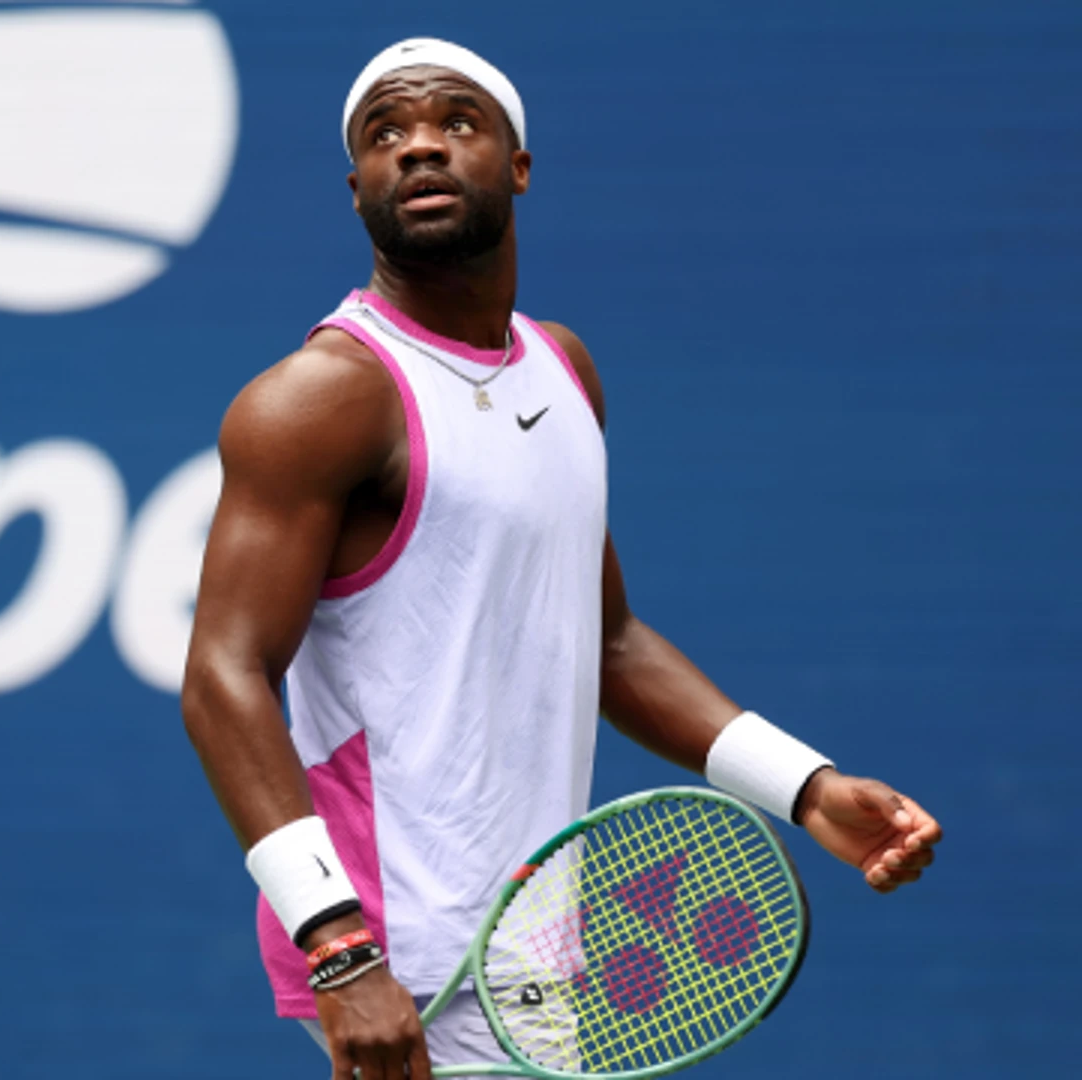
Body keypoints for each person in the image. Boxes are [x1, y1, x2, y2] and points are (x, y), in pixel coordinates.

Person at [179, 37, 942, 1080]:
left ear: (519, 164)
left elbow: (611, 643)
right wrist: (338, 945)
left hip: (533, 946)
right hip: (401, 951)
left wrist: (805, 788)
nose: (419, 149)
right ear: (353, 186)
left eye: (457, 122)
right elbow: (223, 676)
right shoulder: (320, 400)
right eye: (385, 135)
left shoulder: (562, 369)